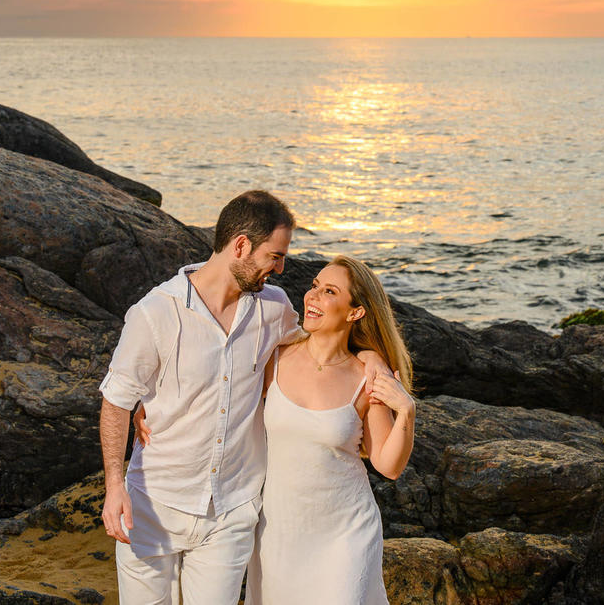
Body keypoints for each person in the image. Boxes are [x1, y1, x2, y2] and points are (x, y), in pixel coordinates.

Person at [98, 191, 390, 604]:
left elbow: (322, 343)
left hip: (232, 511)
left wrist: (371, 356)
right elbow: (115, 400)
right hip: (153, 505)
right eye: (275, 255)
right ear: (240, 246)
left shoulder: (273, 308)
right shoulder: (156, 314)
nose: (281, 267)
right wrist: (115, 486)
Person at [256, 254, 415, 605]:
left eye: (329, 291)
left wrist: (406, 411)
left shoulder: (368, 377)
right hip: (279, 531)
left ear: (354, 312)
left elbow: (388, 465)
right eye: (314, 286)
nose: (312, 297)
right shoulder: (274, 357)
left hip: (346, 532)